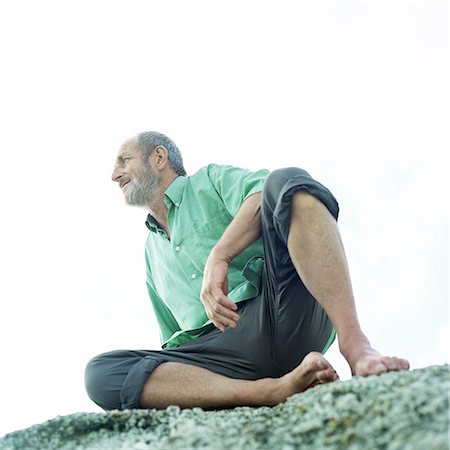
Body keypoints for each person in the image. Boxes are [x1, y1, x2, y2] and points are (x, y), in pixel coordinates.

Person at [85, 131, 409, 411]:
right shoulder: (150, 254)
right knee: (101, 373)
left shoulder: (207, 181)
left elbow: (262, 191)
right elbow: (170, 344)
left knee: (288, 182)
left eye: (123, 161)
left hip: (281, 312)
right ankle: (270, 391)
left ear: (158, 157)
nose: (115, 174)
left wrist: (220, 256)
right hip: (220, 362)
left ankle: (356, 346)